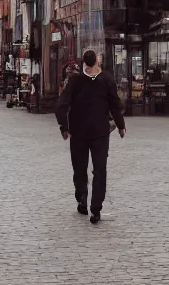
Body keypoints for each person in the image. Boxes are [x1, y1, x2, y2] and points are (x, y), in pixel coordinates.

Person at [55, 50, 126, 224]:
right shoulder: (106, 80)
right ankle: (96, 209)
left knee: (80, 169)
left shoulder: (75, 81)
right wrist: (121, 125)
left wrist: (64, 127)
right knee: (99, 170)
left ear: (84, 64)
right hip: (100, 132)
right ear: (96, 62)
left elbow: (61, 105)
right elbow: (115, 105)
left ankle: (82, 198)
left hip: (79, 132)